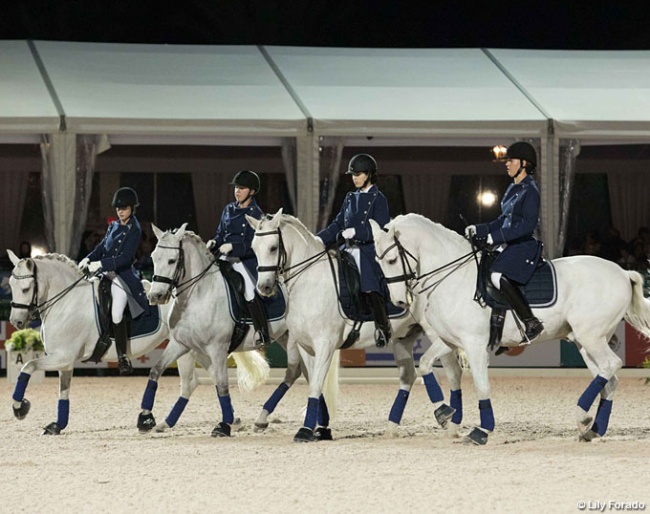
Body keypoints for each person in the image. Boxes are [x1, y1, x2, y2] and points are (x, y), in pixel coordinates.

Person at [465, 141, 544, 345]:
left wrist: (496, 237)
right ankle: (497, 324)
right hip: (509, 244)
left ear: (524, 163)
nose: (507, 164)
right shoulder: (512, 188)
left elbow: (527, 225)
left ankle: (531, 321)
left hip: (523, 246)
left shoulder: (531, 191)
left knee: (497, 275)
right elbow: (502, 220)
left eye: (511, 160)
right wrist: (480, 229)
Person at [316, 153, 392, 347]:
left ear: (368, 174)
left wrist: (357, 231)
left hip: (368, 250)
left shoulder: (379, 198)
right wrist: (318, 239)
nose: (354, 178)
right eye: (353, 174)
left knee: (369, 282)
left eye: (358, 174)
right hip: (346, 248)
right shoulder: (350, 197)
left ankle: (383, 326)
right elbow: (337, 223)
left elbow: (381, 229)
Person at [78, 187, 148, 375]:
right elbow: (102, 247)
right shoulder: (113, 225)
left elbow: (125, 258)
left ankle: (122, 357)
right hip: (104, 272)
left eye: (124, 208)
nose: (120, 211)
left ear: (132, 208)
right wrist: (89, 258)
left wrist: (100, 263)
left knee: (117, 313)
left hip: (121, 276)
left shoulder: (135, 229)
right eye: (118, 208)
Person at [205, 170, 270, 348]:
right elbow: (221, 233)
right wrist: (214, 241)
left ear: (252, 191)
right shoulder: (228, 209)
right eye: (236, 188)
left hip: (244, 259)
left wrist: (234, 247)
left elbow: (253, 244)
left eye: (241, 188)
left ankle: (261, 331)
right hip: (224, 255)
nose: (237, 191)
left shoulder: (257, 213)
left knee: (249, 289)